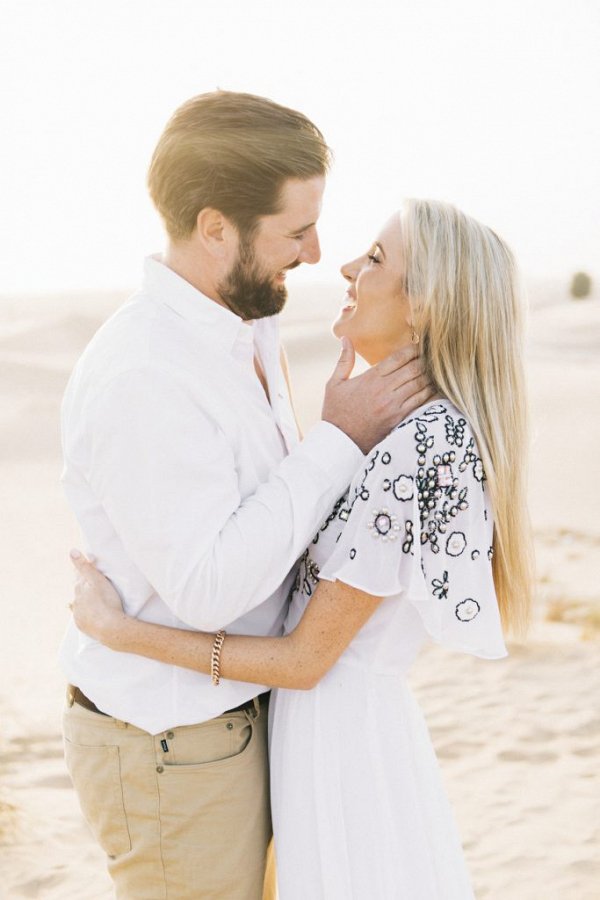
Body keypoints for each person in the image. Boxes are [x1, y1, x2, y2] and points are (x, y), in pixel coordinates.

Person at [71, 198, 535, 900]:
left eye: (376, 260)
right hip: (321, 739)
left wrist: (122, 632)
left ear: (426, 307)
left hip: (343, 751)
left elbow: (306, 659)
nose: (347, 265)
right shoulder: (398, 429)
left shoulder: (424, 445)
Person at [59, 91, 432, 900]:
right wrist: (337, 440)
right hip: (171, 749)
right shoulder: (147, 375)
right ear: (215, 226)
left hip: (238, 724)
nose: (316, 251)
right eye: (295, 231)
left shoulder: (244, 326)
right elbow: (210, 589)